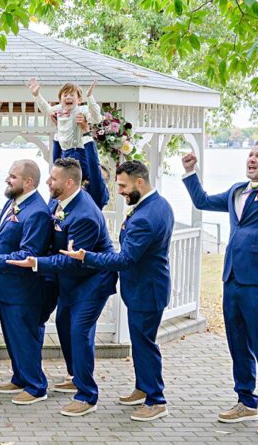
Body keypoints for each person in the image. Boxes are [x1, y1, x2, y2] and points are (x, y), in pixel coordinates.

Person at [181, 141, 258, 435]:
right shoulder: (238, 190)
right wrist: (190, 172)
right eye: (250, 154)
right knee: (237, 343)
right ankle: (246, 401)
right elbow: (202, 201)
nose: (252, 159)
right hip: (232, 277)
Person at [59, 160, 174, 423]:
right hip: (146, 286)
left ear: (140, 182)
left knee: (145, 344)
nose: (120, 191)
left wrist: (85, 256)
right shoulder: (157, 204)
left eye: (123, 185)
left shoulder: (145, 216)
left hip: (147, 289)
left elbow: (125, 260)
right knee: (141, 341)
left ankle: (156, 399)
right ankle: (143, 387)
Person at [7, 158, 116, 417]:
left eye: (53, 179)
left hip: (91, 282)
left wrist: (36, 262)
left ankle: (87, 395)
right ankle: (75, 376)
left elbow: (73, 262)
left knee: (79, 332)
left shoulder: (85, 216)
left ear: (68, 183)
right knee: (64, 326)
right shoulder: (59, 201)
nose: (47, 182)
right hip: (69, 281)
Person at [0, 160, 53, 405]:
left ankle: (36, 386)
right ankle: (20, 377)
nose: (8, 180)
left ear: (28, 182)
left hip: (24, 288)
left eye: (13, 176)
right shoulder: (16, 202)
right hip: (7, 287)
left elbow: (30, 253)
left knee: (24, 336)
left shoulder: (37, 212)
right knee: (12, 335)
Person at [27, 78, 108, 208]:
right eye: (65, 95)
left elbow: (97, 118)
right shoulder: (59, 110)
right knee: (59, 177)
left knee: (85, 177)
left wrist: (90, 97)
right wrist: (36, 95)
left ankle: (81, 195)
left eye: (72, 95)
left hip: (80, 153)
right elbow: (46, 109)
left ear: (79, 100)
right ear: (60, 99)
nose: (68, 97)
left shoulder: (83, 110)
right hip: (65, 153)